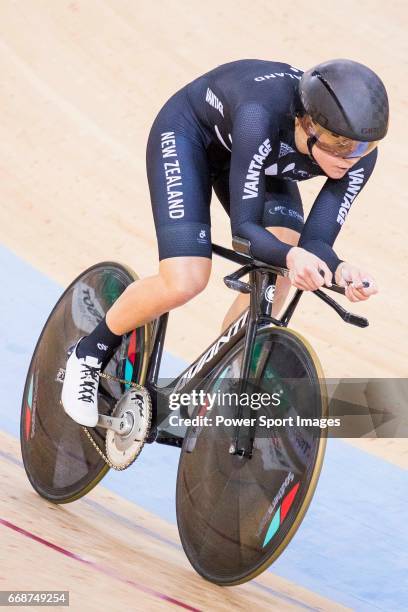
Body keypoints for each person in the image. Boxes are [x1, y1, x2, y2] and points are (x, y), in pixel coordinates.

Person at [61, 58, 389, 427]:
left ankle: (221, 382)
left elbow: (316, 243)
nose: (352, 157)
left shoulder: (359, 155)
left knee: (282, 270)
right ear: (307, 124)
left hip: (257, 159)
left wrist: (341, 271)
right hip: (191, 138)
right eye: (339, 145)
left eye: (363, 146)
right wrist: (292, 256)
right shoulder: (259, 114)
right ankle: (89, 354)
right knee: (186, 279)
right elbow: (245, 229)